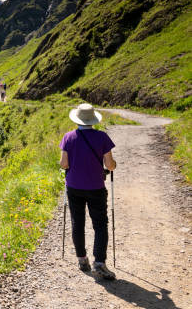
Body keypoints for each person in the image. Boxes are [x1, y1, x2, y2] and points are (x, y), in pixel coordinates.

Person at [59, 103, 117, 280]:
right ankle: (99, 263)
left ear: (77, 119)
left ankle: (82, 259)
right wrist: (113, 166)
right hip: (96, 187)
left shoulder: (68, 137)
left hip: (74, 187)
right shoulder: (102, 137)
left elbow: (63, 164)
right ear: (93, 120)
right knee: (100, 224)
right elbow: (109, 165)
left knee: (78, 222)